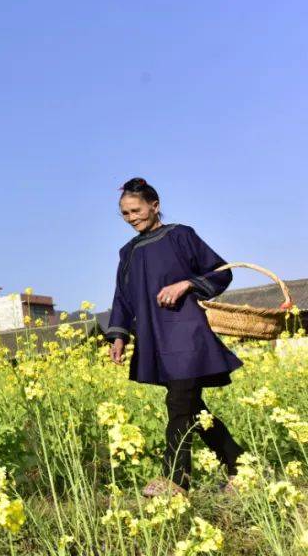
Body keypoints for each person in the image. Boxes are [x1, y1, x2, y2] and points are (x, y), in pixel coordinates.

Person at [107, 177, 245, 496]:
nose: (132, 218)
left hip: (187, 333)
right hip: (155, 338)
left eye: (136, 210)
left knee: (178, 403)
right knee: (193, 408)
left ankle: (175, 480)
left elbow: (222, 271)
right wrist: (118, 336)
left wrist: (187, 284)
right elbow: (122, 298)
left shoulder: (181, 235)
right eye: (125, 214)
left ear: (154, 206)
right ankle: (241, 466)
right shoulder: (127, 253)